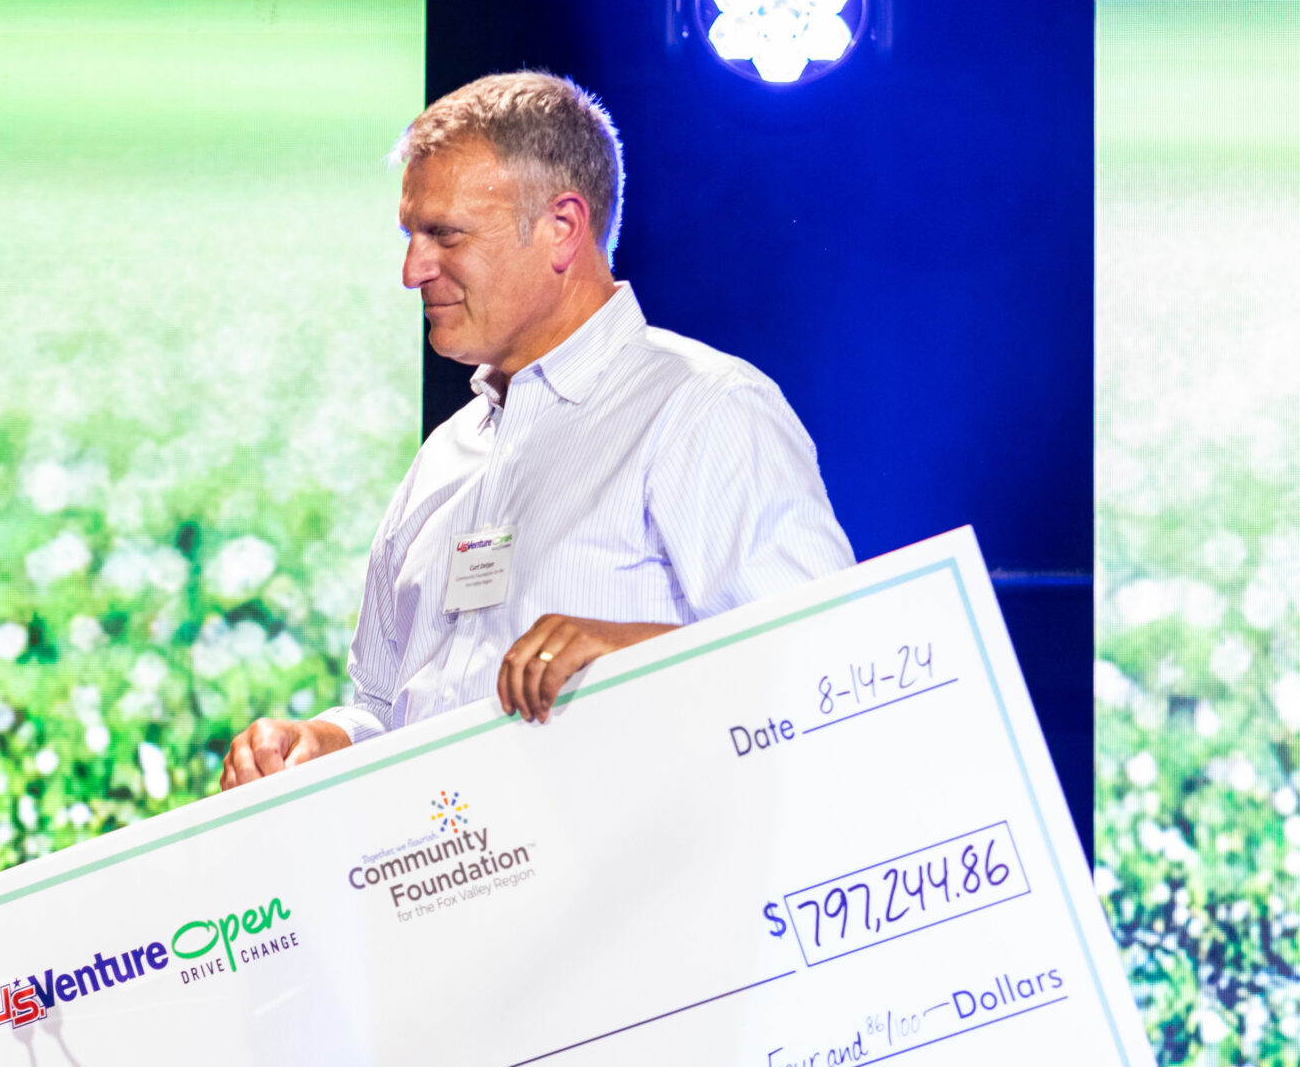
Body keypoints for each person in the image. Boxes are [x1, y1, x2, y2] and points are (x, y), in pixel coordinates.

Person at [219, 71, 852, 789]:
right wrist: (324, 742)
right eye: (410, 235)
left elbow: (834, 665)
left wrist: (640, 658)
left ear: (562, 228)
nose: (411, 270)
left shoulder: (703, 409)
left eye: (444, 235)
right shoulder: (446, 455)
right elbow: (385, 710)